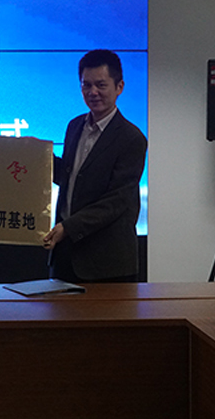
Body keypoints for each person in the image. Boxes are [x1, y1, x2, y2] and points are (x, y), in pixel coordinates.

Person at [42, 49, 147, 283]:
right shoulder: (74, 126)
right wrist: (36, 157)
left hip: (107, 264)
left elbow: (117, 200)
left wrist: (68, 227)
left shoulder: (131, 138)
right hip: (65, 255)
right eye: (86, 85)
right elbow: (71, 177)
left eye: (101, 85)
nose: (93, 92)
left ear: (119, 87)